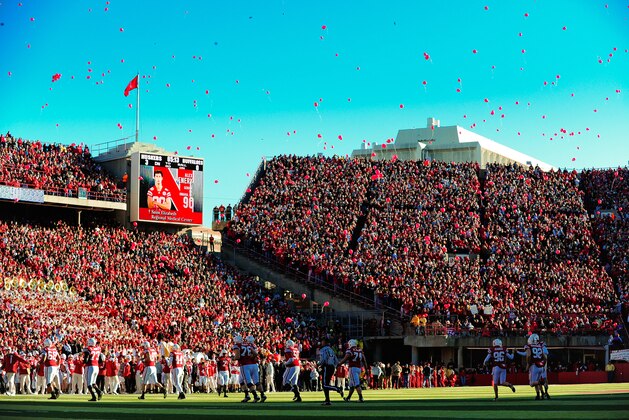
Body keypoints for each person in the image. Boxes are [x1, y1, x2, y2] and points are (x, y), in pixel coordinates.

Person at [233, 335, 267, 403]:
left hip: (245, 365)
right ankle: (261, 395)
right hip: (254, 364)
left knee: (248, 382)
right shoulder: (250, 345)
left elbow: (238, 356)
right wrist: (251, 356)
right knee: (248, 381)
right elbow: (255, 354)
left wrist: (233, 359)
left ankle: (255, 396)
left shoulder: (237, 345)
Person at [338, 339, 367, 403]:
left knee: (356, 384)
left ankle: (361, 397)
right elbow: (364, 360)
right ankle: (348, 398)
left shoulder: (350, 350)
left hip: (353, 368)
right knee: (351, 385)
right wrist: (366, 369)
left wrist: (339, 364)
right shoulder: (360, 350)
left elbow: (346, 358)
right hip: (359, 368)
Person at [318, 337, 343, 406]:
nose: (321, 342)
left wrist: (319, 364)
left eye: (322, 341)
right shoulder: (331, 350)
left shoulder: (323, 349)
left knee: (324, 385)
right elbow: (335, 359)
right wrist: (337, 365)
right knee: (326, 384)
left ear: (325, 342)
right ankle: (327, 400)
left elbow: (323, 359)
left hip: (326, 366)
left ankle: (337, 389)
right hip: (332, 367)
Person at [526, 334, 548, 400]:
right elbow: (545, 358)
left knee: (531, 383)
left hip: (534, 366)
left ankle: (542, 382)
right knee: (536, 381)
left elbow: (529, 356)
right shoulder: (540, 346)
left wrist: (528, 364)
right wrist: (543, 364)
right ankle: (538, 394)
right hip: (540, 366)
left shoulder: (528, 346)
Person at [83, 337, 104, 401]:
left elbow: (86, 360)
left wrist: (83, 361)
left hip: (90, 366)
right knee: (93, 383)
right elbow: (101, 360)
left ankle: (94, 396)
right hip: (96, 367)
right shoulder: (98, 349)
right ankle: (99, 392)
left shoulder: (88, 349)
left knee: (89, 384)